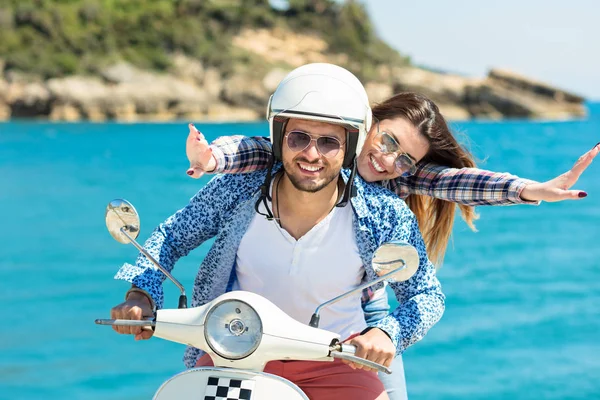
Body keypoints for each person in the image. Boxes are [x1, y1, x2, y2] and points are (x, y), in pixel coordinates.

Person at [184, 91, 599, 399]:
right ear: (366, 123)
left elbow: (451, 182)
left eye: (404, 159)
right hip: (251, 325)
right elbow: (256, 150)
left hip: (363, 311)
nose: (387, 160)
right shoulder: (314, 146)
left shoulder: (393, 181)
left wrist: (530, 190)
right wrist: (212, 159)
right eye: (386, 142)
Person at [110, 63, 444, 400]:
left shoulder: (384, 213)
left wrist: (388, 334)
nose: (311, 154)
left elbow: (427, 294)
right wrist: (143, 292)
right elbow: (172, 235)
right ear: (279, 138)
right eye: (298, 137)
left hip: (336, 361)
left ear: (350, 146)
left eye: (329, 142)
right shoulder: (239, 189)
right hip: (234, 352)